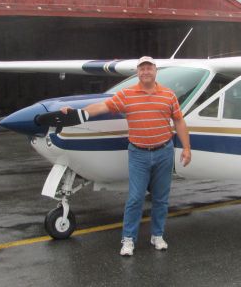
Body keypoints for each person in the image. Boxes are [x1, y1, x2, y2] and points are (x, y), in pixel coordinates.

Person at [61, 56, 191, 256]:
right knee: (135, 198)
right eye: (142, 68)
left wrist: (186, 148)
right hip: (138, 153)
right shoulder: (127, 94)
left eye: (149, 68)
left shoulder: (168, 95)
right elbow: (102, 107)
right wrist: (77, 113)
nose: (145, 71)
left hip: (164, 151)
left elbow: (179, 121)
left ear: (155, 71)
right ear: (137, 72)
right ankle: (128, 239)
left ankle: (157, 235)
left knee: (161, 199)